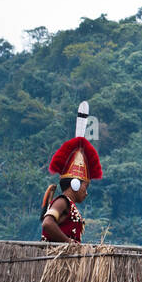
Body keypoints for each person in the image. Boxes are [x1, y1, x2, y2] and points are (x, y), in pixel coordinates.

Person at [41, 102, 100, 243]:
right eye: (85, 187)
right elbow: (47, 223)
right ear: (75, 184)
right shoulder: (62, 202)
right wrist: (69, 243)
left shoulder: (68, 204)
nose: (86, 193)